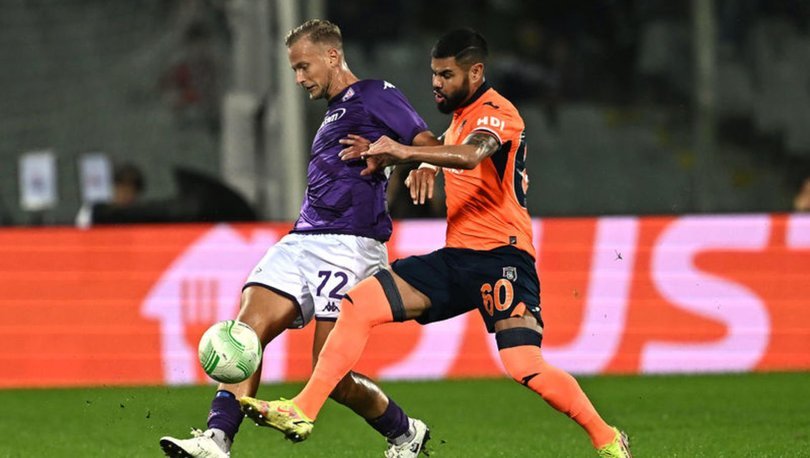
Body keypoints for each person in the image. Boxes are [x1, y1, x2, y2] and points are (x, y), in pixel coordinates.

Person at [239, 29, 632, 457]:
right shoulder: (461, 120)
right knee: (358, 304)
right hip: (457, 259)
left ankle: (607, 438)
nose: (436, 84)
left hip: (502, 258)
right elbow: (447, 148)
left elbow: (471, 155)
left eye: (446, 75)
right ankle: (303, 409)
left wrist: (408, 154)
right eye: (433, 74)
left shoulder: (497, 113)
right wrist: (420, 160)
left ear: (475, 72)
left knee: (524, 365)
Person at [160, 19, 438, 458]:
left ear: (332, 56)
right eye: (294, 69)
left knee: (334, 379)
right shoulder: (335, 112)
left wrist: (423, 163)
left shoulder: (373, 93)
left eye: (304, 66)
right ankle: (216, 440)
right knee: (244, 334)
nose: (299, 78)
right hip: (302, 240)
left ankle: (406, 433)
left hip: (350, 246)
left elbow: (425, 139)